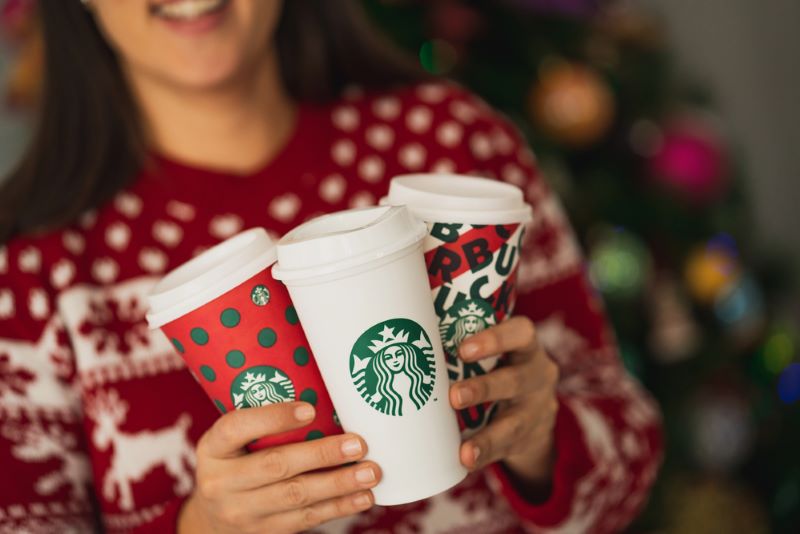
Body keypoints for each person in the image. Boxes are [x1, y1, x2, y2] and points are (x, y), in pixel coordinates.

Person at [0, 1, 663, 532]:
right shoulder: (32, 266)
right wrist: (202, 528)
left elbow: (629, 457)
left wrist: (542, 443)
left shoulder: (455, 152)